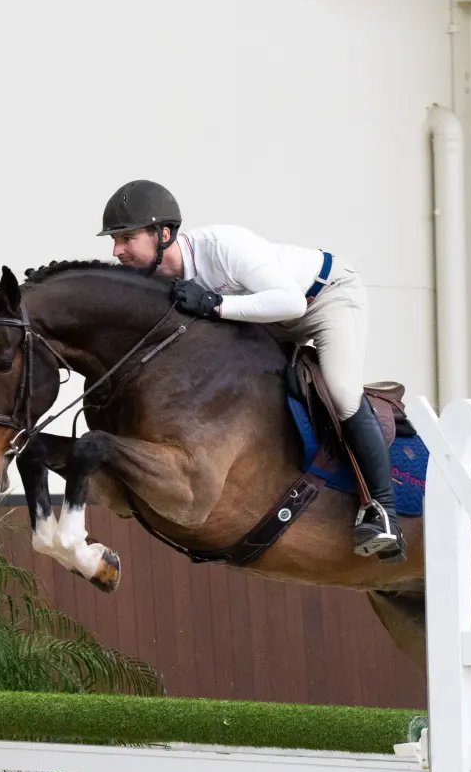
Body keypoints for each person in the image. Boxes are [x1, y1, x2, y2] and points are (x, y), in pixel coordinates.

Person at [99, 179, 402, 558]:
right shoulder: (159, 280)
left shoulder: (224, 246)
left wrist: (215, 305)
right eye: (114, 240)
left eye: (126, 238)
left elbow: (291, 303)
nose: (117, 250)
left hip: (325, 298)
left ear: (163, 233)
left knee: (341, 391)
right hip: (268, 320)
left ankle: (383, 510)